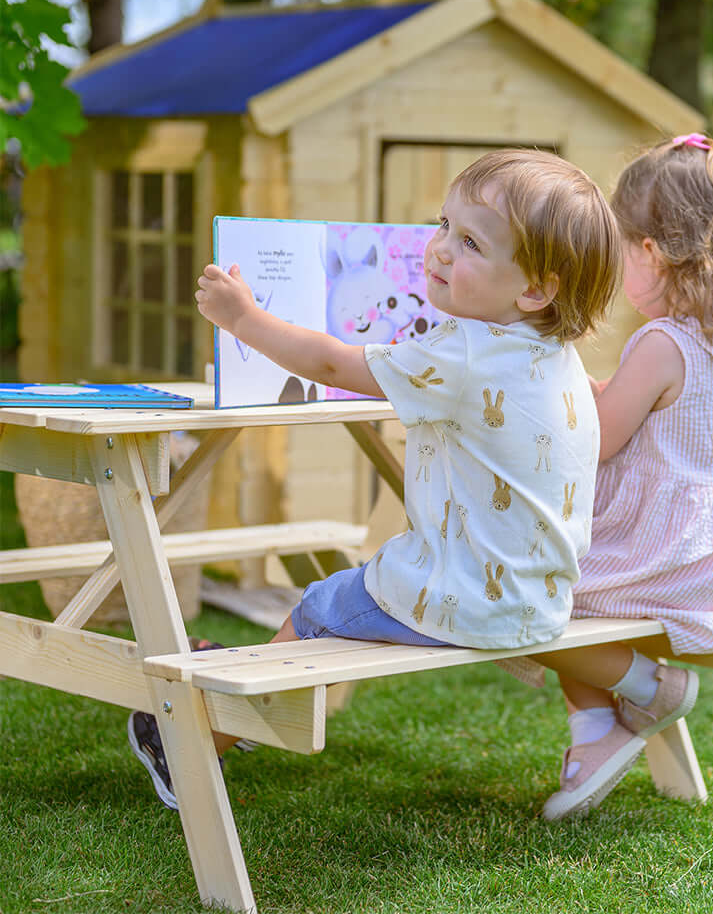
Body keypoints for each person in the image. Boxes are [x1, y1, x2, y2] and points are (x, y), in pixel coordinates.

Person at [126, 148, 622, 810]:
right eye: (441, 224)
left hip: (460, 599)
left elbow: (331, 365)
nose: (440, 250)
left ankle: (198, 744)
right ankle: (642, 685)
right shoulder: (555, 357)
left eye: (469, 241)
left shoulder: (464, 351)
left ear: (534, 289)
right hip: (538, 602)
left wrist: (243, 319)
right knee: (350, 585)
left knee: (313, 609)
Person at [532, 133, 713, 820]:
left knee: (530, 596)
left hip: (664, 554)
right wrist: (616, 389)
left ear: (651, 252)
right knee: (552, 586)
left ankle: (638, 694)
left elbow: (600, 442)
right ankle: (599, 731)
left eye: (621, 249)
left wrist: (562, 401)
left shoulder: (660, 343)